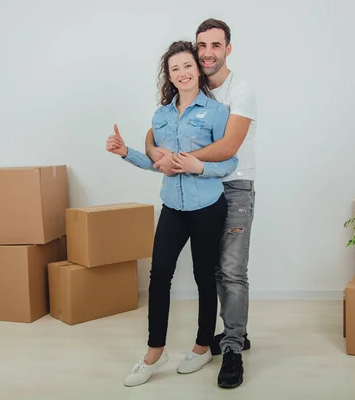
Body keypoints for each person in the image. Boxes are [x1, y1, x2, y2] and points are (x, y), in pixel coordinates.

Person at [106, 40, 238, 387]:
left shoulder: (216, 112)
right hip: (173, 208)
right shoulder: (161, 115)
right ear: (169, 75)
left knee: (203, 277)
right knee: (159, 274)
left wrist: (198, 167)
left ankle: (201, 346)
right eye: (174, 68)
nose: (182, 73)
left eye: (187, 66)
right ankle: (155, 351)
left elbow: (229, 161)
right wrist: (126, 152)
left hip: (208, 207)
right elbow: (158, 163)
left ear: (198, 70)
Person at [145, 19, 256, 389]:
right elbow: (158, 126)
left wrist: (183, 160)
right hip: (192, 193)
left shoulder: (239, 90)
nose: (207, 53)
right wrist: (151, 151)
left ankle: (233, 347)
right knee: (206, 272)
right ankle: (222, 337)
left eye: (215, 45)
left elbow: (229, 148)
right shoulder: (192, 80)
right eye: (202, 46)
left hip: (234, 185)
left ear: (228, 48)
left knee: (231, 270)